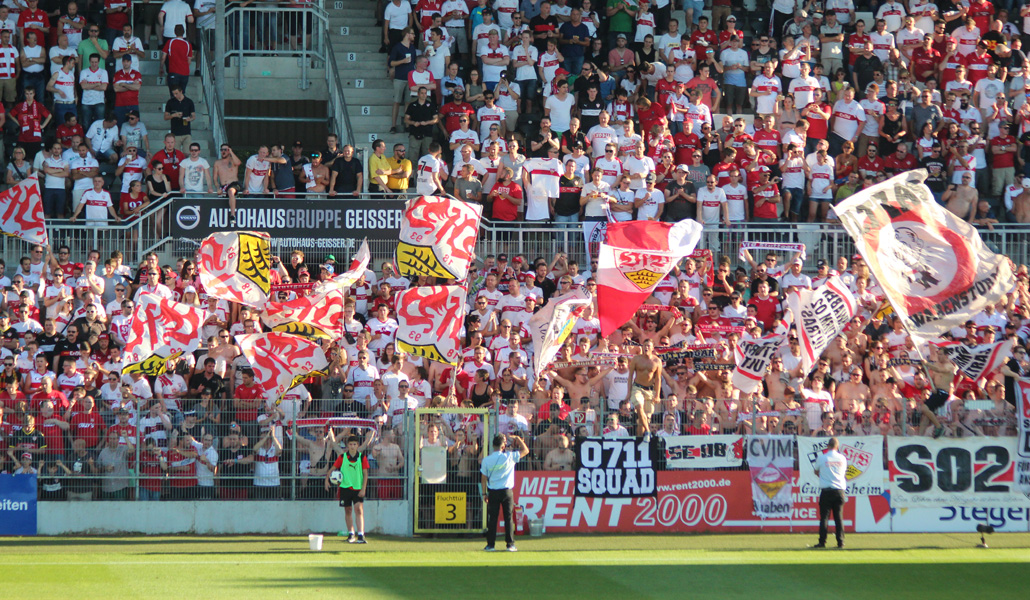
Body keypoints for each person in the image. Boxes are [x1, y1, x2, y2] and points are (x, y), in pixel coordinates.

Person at [480, 432, 529, 552]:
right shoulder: (510, 456)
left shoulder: (486, 460)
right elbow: (526, 450)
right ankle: (510, 544)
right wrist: (518, 439)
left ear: (493, 445)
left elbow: (483, 478)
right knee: (508, 518)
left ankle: (490, 545)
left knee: (493, 519)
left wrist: (484, 493)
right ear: (503, 446)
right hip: (507, 491)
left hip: (493, 491)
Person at [326, 434, 369, 544]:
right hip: (345, 488)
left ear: (357, 445)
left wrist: (363, 488)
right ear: (348, 445)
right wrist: (327, 480)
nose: (352, 446)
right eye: (350, 444)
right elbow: (332, 468)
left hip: (358, 488)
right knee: (348, 510)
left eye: (354, 444)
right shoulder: (342, 457)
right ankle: (351, 534)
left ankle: (361, 535)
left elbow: (365, 474)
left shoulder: (362, 457)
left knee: (359, 510)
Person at [813, 437, 847, 549]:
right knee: (839, 518)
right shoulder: (842, 458)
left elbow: (816, 471)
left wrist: (823, 476)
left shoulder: (822, 458)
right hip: (839, 491)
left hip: (826, 491)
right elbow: (843, 472)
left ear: (828, 446)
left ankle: (822, 542)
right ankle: (840, 542)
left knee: (824, 518)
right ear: (837, 446)